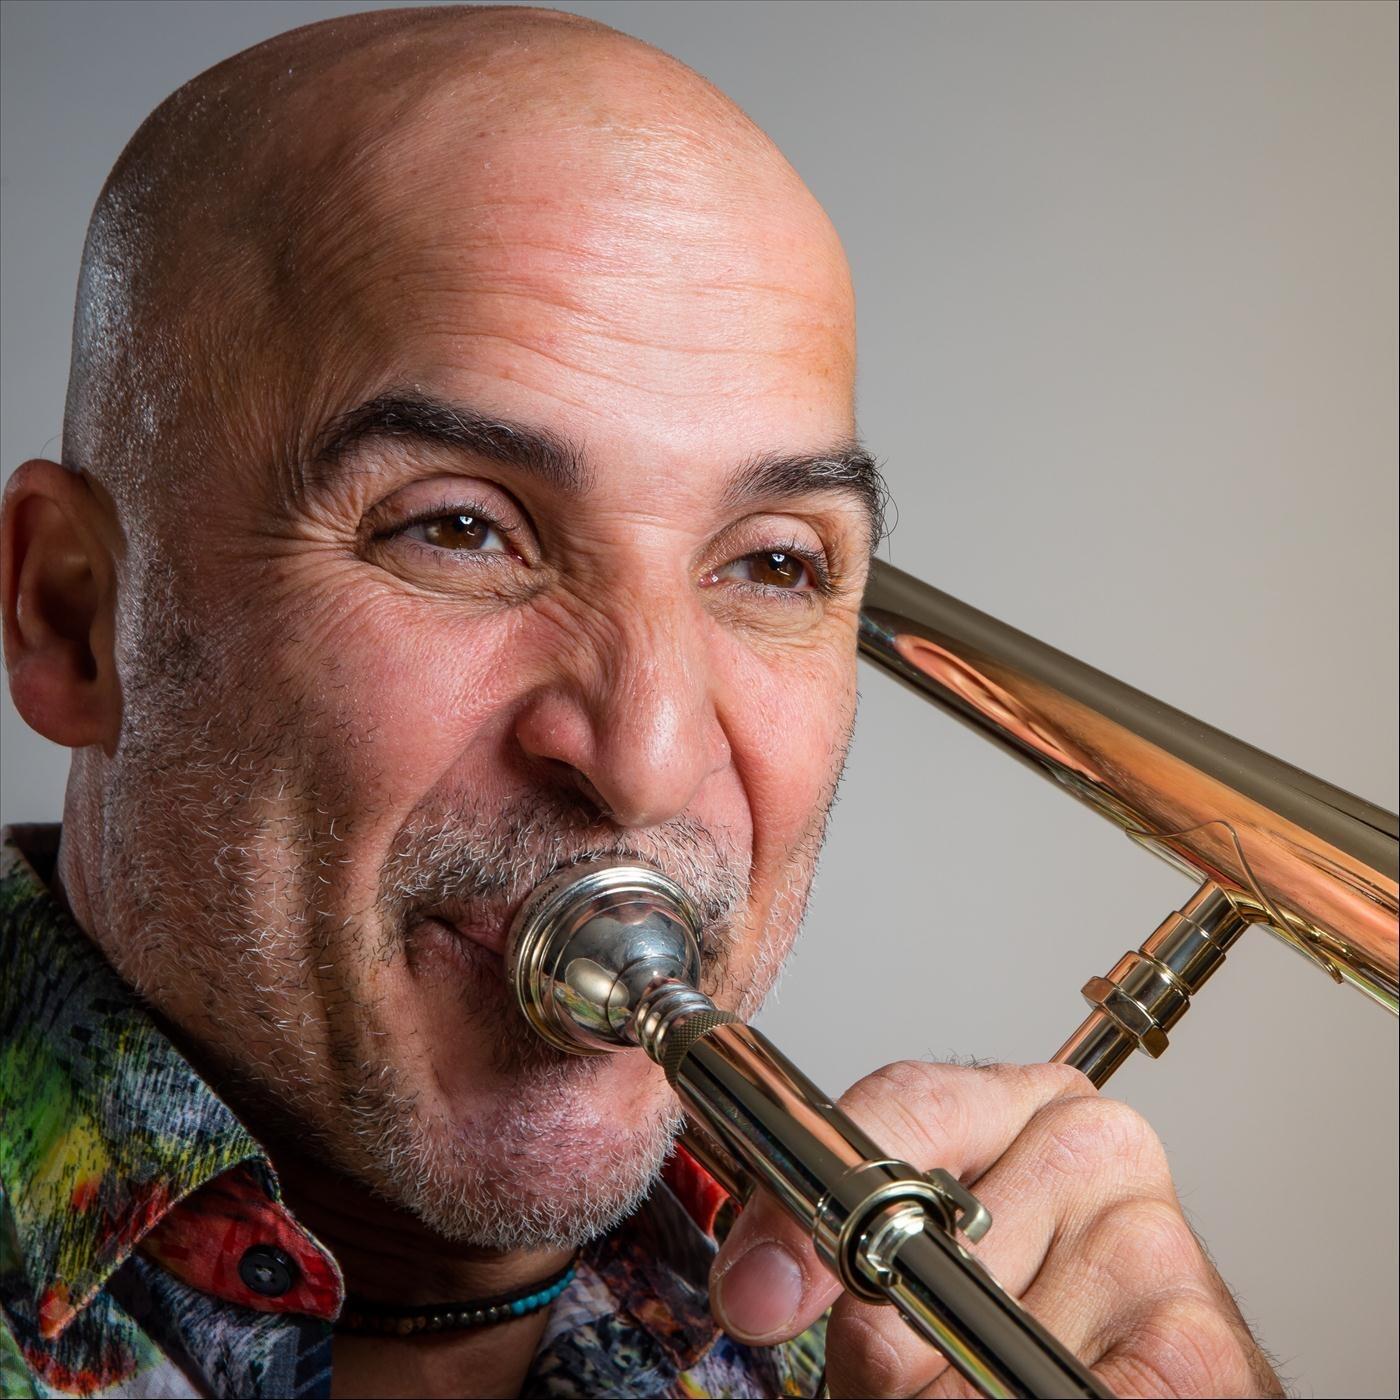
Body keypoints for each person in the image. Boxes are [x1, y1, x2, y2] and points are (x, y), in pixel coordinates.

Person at [0, 7, 1282, 1397]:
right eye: (460, 531)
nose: (650, 759)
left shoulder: (881, 1339)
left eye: (775, 563)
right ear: (74, 619)